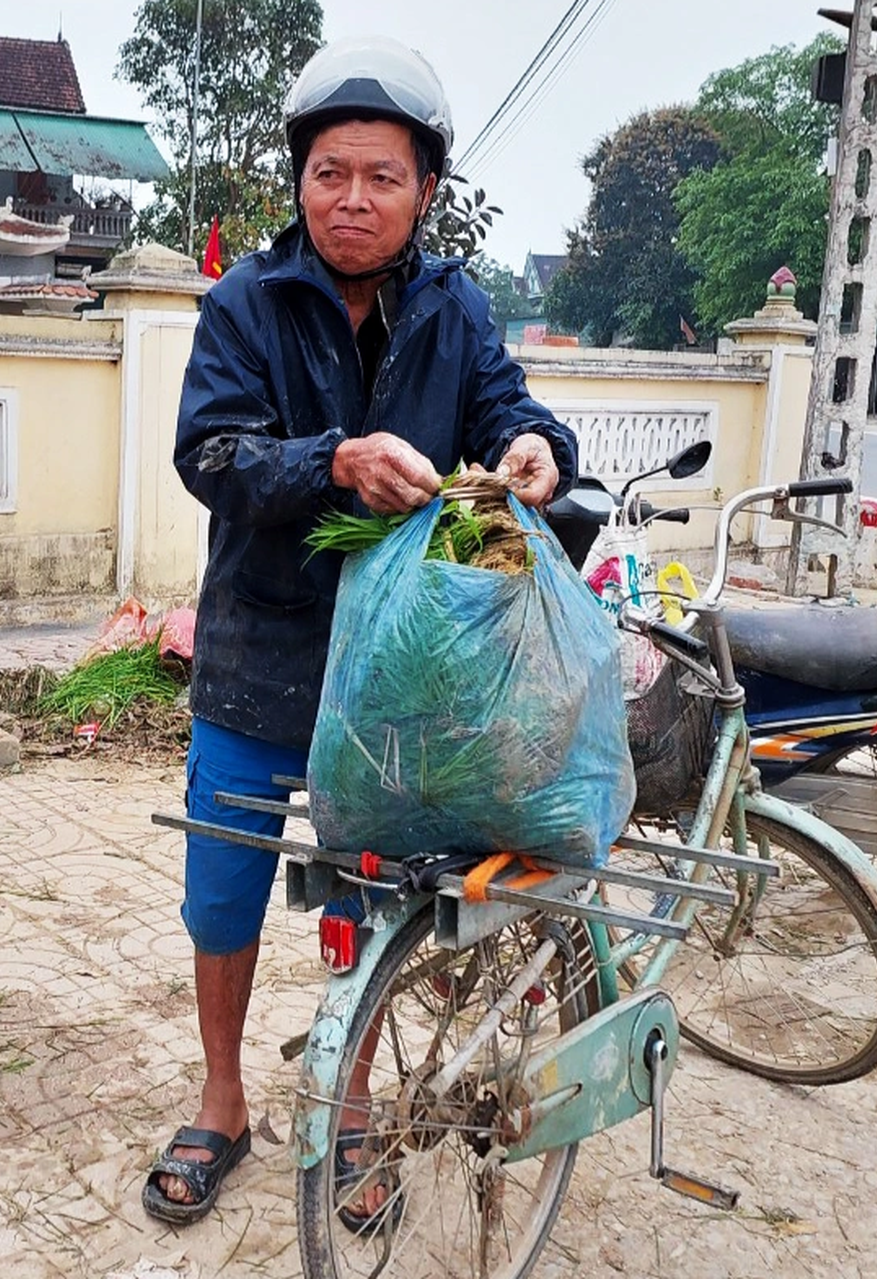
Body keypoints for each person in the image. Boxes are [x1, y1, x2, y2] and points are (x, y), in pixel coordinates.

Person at [143, 35, 578, 1227]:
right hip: (262, 663)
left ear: (425, 189)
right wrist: (329, 460)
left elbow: (509, 407)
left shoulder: (457, 308)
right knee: (222, 894)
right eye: (331, 171)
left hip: (408, 683)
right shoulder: (245, 304)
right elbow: (209, 453)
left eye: (381, 176)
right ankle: (224, 1095)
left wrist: (542, 446)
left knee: (386, 903)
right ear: (299, 180)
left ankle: (352, 1113)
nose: (352, 198)